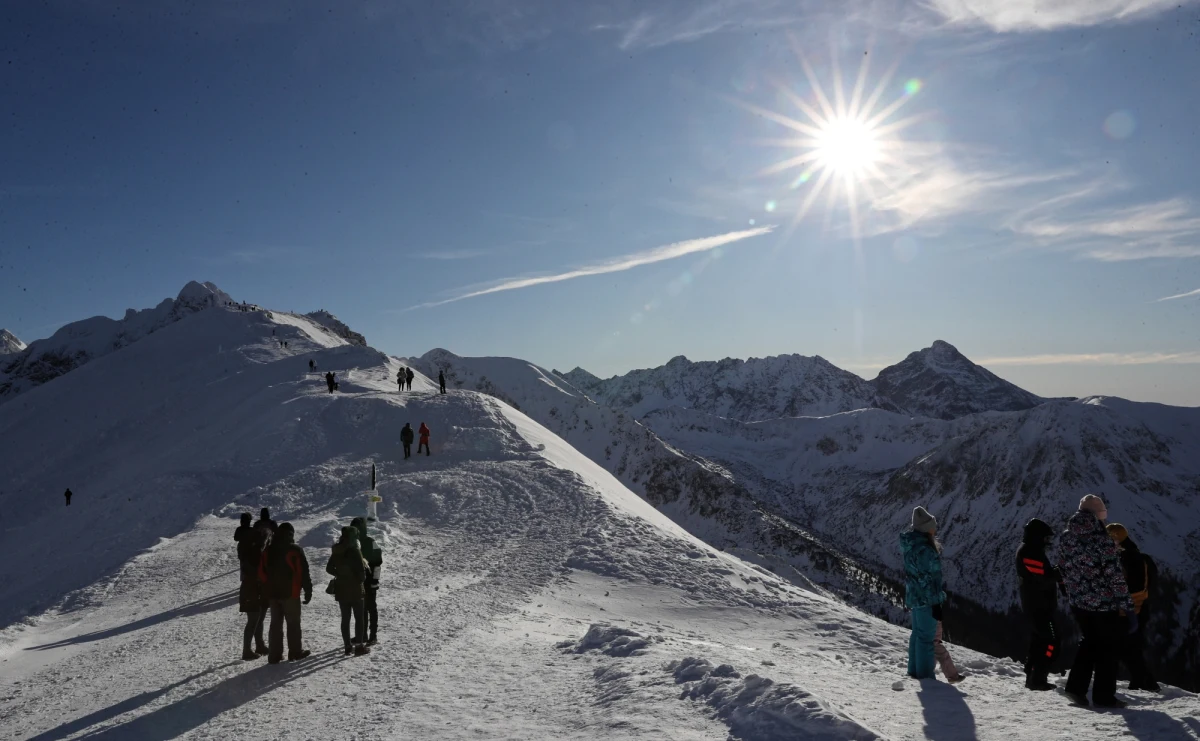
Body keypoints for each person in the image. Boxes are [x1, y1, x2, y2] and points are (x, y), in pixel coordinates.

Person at [1059, 495, 1135, 708]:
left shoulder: (1066, 537)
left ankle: (1076, 688)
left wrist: (1073, 592)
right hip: (1103, 605)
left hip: (1079, 603)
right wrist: (1128, 607)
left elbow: (1063, 566)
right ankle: (1103, 696)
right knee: (1107, 650)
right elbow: (1115, 577)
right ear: (1098, 516)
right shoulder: (1103, 541)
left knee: (1090, 643)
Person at [900, 506, 964, 682]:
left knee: (918, 635)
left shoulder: (912, 545)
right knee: (927, 639)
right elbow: (928, 580)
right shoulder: (926, 550)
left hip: (915, 597)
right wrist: (936, 602)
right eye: (932, 526)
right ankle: (925, 676)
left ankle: (914, 671)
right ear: (925, 528)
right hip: (927, 599)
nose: (935, 529)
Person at [1107, 523, 1160, 692]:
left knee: (1125, 649)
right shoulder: (1143, 558)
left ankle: (1146, 683)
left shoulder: (1122, 559)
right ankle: (1141, 682)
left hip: (1125, 611)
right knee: (1132, 648)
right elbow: (1151, 582)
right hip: (1142, 608)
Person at [1017, 518, 1061, 691]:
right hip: (1038, 605)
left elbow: (1043, 574)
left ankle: (1033, 675)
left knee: (1039, 641)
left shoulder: (1031, 550)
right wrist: (1057, 574)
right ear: (1037, 537)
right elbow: (1043, 577)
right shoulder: (1030, 552)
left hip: (1037, 604)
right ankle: (1037, 678)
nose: (1047, 541)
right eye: (1045, 538)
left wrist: (1054, 572)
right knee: (1051, 642)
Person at [258, 522, 313, 663]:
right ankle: (295, 652)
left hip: (273, 594)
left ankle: (274, 655)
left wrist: (267, 587)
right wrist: (308, 590)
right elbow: (303, 572)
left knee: (275, 624)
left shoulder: (268, 549)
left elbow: (261, 572)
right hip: (291, 593)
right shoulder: (295, 550)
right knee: (293, 624)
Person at [327, 526, 370, 655]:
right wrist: (358, 578)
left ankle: (347, 646)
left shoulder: (336, 550)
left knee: (345, 619)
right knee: (359, 618)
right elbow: (361, 574)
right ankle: (359, 646)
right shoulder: (355, 550)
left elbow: (329, 568)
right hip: (355, 589)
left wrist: (340, 574)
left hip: (341, 589)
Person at [239, 521, 270, 659]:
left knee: (258, 618)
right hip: (253, 588)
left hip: (253, 588)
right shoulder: (256, 552)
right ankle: (247, 650)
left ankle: (259, 645)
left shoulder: (251, 550)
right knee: (254, 619)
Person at [351, 516, 382, 644]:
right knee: (362, 609)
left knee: (370, 608)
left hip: (369, 581)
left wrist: (375, 579)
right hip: (358, 581)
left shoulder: (370, 542)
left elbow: (378, 561)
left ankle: (373, 635)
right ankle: (363, 635)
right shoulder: (352, 543)